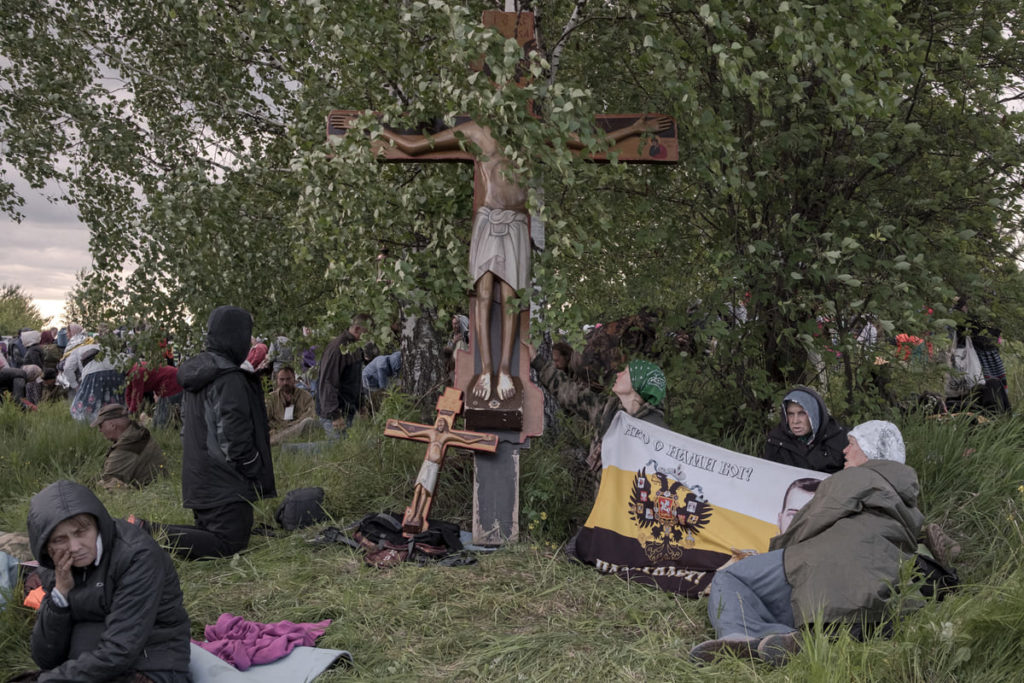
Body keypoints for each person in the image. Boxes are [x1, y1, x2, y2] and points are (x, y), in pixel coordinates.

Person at [338, 113, 670, 402]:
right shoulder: (476, 132)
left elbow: (588, 144)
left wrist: (634, 129)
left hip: (514, 224)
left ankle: (506, 372)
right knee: (483, 296)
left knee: (512, 299)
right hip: (487, 220)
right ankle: (485, 371)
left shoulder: (534, 135)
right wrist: (371, 129)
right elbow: (414, 146)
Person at [691, 420, 923, 666]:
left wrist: (777, 554)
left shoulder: (859, 477)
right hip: (878, 600)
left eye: (852, 444)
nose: (844, 450)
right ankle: (791, 640)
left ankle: (743, 634)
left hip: (830, 566)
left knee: (730, 577)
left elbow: (811, 520)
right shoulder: (907, 501)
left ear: (870, 451)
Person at [25, 479, 191, 680]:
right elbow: (45, 657)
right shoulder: (58, 565)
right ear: (47, 546)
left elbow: (120, 650)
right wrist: (60, 594)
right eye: (60, 539)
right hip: (89, 665)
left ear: (97, 524)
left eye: (81, 532)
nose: (75, 547)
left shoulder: (136, 557)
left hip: (149, 666)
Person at [157, 305, 276, 559]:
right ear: (236, 336)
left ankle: (148, 533)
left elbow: (187, 428)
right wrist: (253, 466)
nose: (248, 342)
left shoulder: (200, 373)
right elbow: (234, 437)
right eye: (246, 335)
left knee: (212, 536)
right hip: (224, 482)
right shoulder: (228, 378)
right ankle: (146, 533)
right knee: (229, 544)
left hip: (200, 480)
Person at [531, 348, 667, 471]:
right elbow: (571, 394)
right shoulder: (609, 409)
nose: (618, 374)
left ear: (637, 385)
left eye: (625, 373)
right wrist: (537, 361)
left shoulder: (655, 434)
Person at [763, 386, 848, 473]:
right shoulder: (776, 441)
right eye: (790, 414)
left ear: (814, 414)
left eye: (802, 413)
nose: (795, 421)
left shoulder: (841, 439)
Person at [317, 313, 372, 435]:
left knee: (345, 443)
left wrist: (361, 404)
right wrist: (334, 414)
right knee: (334, 444)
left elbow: (355, 380)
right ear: (357, 329)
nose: (368, 337)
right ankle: (287, 446)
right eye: (367, 333)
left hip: (347, 409)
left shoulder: (356, 347)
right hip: (335, 411)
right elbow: (328, 382)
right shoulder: (338, 348)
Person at [91, 403, 167, 489]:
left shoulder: (127, 447)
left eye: (100, 425)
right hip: (156, 484)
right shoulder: (136, 432)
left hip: (147, 490)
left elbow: (108, 481)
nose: (100, 430)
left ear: (112, 425)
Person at [267, 365, 318, 445]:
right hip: (278, 431)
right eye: (282, 379)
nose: (285, 382)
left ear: (294, 379)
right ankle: (275, 440)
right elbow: (264, 418)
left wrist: (291, 425)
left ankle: (275, 441)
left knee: (308, 422)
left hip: (297, 428)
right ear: (277, 381)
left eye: (288, 379)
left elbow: (310, 414)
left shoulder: (305, 396)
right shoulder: (271, 398)